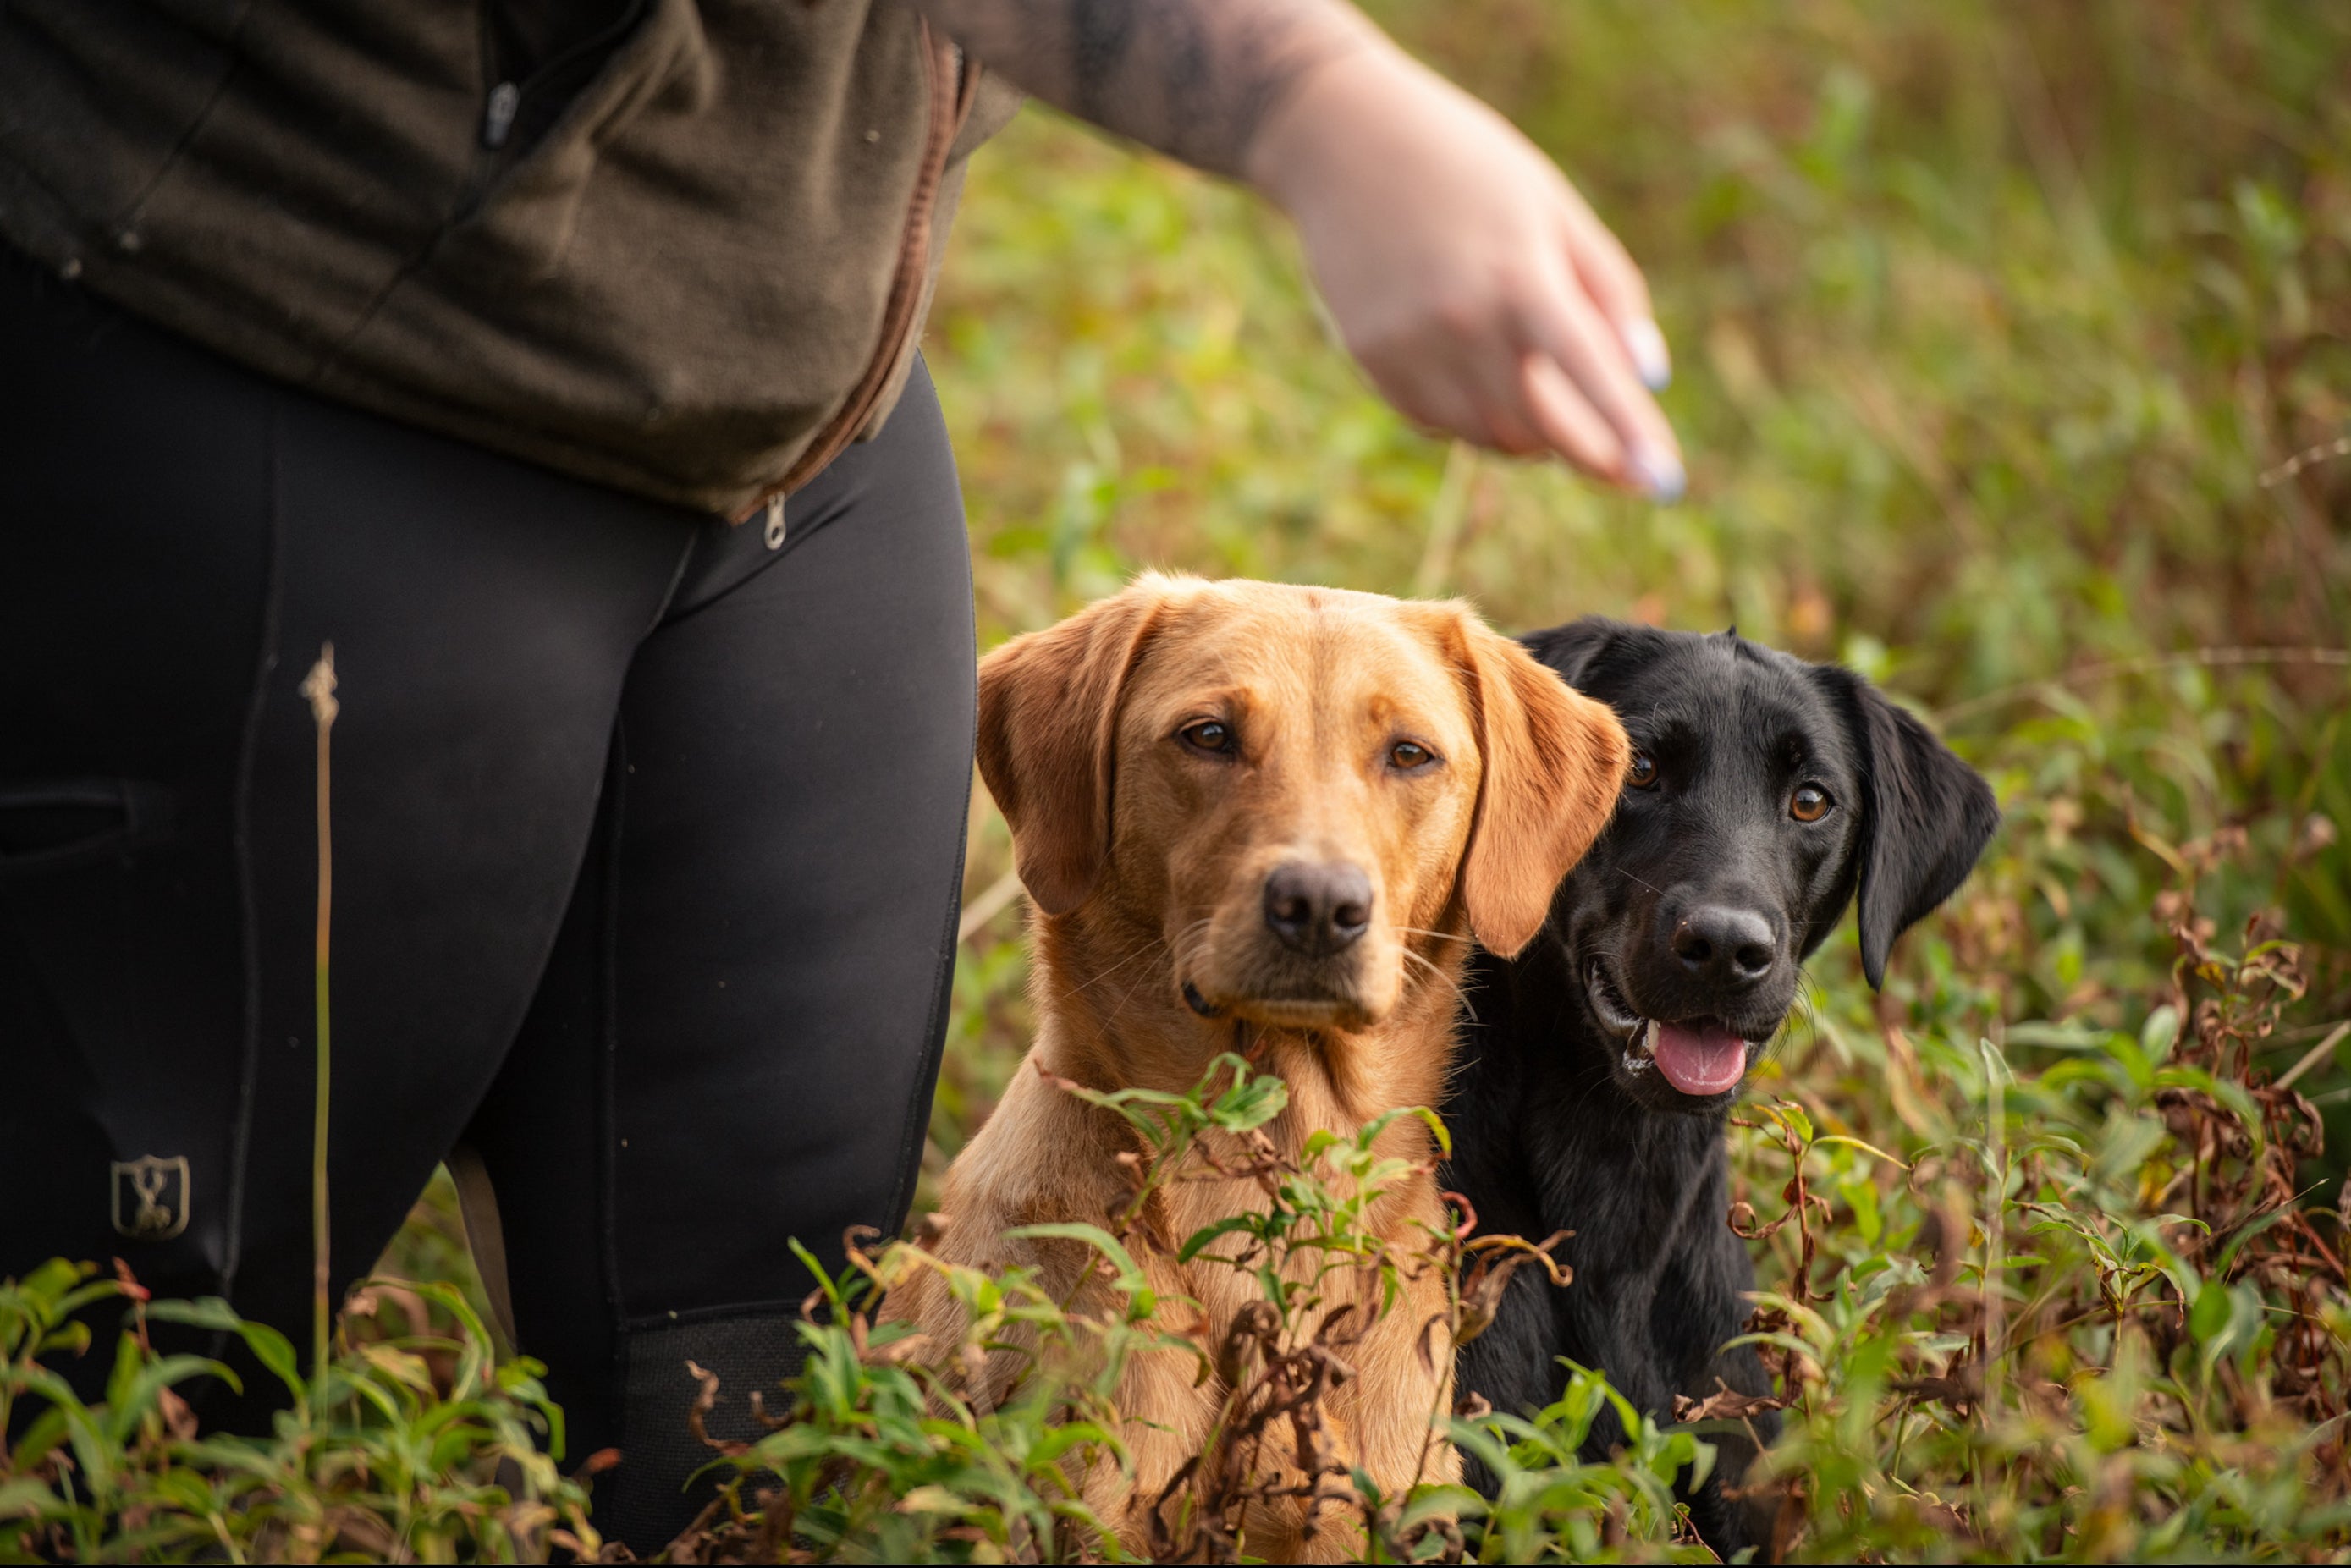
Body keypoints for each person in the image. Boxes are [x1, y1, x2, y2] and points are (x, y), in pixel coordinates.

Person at [0, 0, 1680, 1547]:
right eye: (1216, 743)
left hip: (802, 425)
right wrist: (1327, 102)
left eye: (1397, 762)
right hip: (288, 329)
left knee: (750, 1426)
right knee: (135, 1392)